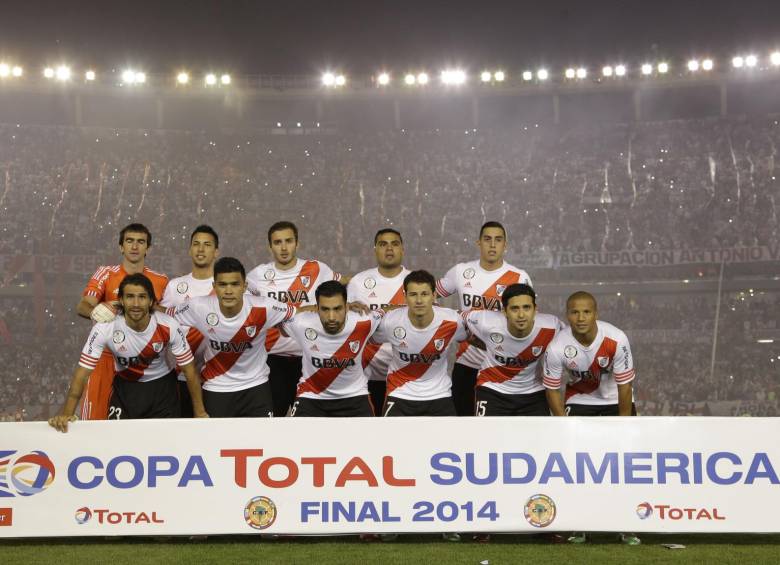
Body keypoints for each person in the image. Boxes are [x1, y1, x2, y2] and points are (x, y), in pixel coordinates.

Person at [49, 273, 206, 432]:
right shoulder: (105, 328)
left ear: (151, 301)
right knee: (118, 444)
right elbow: (81, 375)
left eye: (142, 297)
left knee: (163, 446)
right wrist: (67, 414)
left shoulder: (169, 325)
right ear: (121, 301)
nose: (136, 303)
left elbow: (190, 371)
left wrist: (199, 413)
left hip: (162, 391)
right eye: (130, 297)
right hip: (125, 389)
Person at [543, 291, 639, 546]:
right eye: (575, 312)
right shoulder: (557, 347)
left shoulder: (616, 339)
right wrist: (563, 423)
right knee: (578, 467)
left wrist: (624, 425)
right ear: (568, 315)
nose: (581, 317)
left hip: (613, 402)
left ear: (596, 313)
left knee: (622, 467)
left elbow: (625, 387)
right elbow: (552, 388)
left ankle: (626, 526)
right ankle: (580, 525)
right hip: (579, 402)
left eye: (586, 312)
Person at [169, 257, 294, 418]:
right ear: (214, 287)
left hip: (256, 387)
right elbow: (164, 316)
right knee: (217, 442)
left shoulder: (264, 307)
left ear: (245, 286)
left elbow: (298, 314)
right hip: (216, 388)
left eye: (235, 284)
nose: (228, 291)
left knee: (260, 441)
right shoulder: (198, 307)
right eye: (222, 285)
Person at [436, 221, 532, 416]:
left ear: (505, 245)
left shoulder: (519, 277)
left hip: (501, 366)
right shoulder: (461, 272)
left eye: (498, 240)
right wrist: (448, 320)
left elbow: (529, 320)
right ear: (478, 243)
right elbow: (429, 295)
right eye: (487, 239)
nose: (493, 245)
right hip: (467, 364)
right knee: (464, 425)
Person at [247, 221, 341, 417]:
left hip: (311, 358)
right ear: (270, 246)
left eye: (288, 241)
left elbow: (344, 286)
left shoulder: (316, 269)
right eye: (278, 242)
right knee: (275, 419)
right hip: (272, 361)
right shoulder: (257, 276)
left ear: (297, 243)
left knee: (309, 421)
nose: (283, 247)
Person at [76, 223, 168, 420]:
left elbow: (168, 316)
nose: (135, 246)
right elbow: (83, 306)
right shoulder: (105, 273)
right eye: (129, 241)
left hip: (142, 361)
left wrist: (129, 306)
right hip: (106, 357)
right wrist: (97, 313)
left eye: (140, 242)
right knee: (94, 421)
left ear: (148, 248)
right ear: (121, 246)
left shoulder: (161, 280)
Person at [283, 281, 382, 417]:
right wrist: (304, 309)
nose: (331, 317)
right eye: (325, 309)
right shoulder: (301, 323)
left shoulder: (364, 321)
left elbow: (388, 311)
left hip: (354, 396)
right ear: (316, 308)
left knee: (368, 438)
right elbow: (278, 322)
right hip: (311, 397)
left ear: (347, 307)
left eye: (337, 309)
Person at [464, 283, 564, 417]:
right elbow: (458, 319)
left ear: (535, 309)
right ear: (504, 311)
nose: (521, 315)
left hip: (532, 393)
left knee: (539, 438)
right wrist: (468, 338)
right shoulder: (486, 321)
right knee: (486, 436)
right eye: (514, 309)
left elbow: (572, 341)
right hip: (492, 389)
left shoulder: (552, 326)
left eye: (527, 308)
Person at [347, 228, 409, 416]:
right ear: (375, 249)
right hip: (365, 374)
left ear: (402, 249)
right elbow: (348, 325)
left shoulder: (414, 281)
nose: (389, 249)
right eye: (383, 244)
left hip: (404, 375)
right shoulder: (359, 281)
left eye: (394, 244)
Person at [160, 225, 219, 417]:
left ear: (216, 251)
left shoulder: (226, 285)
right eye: (196, 244)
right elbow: (161, 321)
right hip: (182, 376)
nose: (201, 249)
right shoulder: (175, 286)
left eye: (207, 245)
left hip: (218, 380)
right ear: (190, 249)